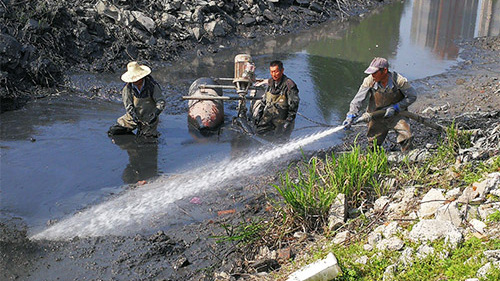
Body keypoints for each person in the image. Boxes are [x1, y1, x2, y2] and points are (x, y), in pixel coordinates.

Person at [343, 57, 417, 152]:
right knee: (373, 145)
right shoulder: (369, 81)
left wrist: (396, 107)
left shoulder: (399, 81)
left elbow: (412, 96)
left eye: (375, 73)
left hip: (397, 115)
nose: (372, 75)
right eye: (371, 73)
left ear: (385, 70)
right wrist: (350, 115)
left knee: (406, 136)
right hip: (376, 116)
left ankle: (408, 158)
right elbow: (357, 100)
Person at [108, 61, 166, 138]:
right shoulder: (127, 88)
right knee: (113, 131)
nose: (135, 81)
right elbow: (128, 105)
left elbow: (160, 101)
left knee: (147, 139)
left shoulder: (152, 86)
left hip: (149, 118)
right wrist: (134, 117)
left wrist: (156, 113)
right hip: (133, 116)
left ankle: (145, 130)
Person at [254, 60, 300, 140]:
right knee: (258, 135)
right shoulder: (270, 83)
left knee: (280, 142)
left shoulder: (289, 85)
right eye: (271, 72)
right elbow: (264, 102)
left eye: (275, 71)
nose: (273, 74)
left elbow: (294, 105)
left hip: (282, 122)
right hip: (267, 119)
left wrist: (288, 121)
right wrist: (259, 115)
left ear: (282, 70)